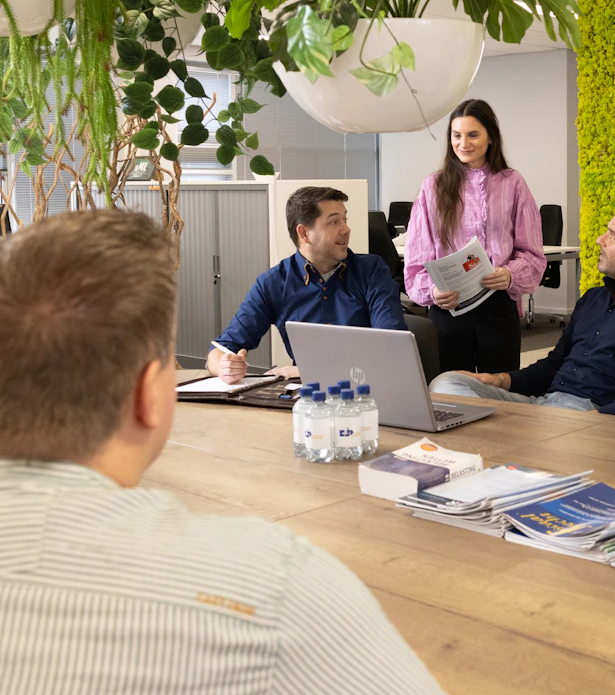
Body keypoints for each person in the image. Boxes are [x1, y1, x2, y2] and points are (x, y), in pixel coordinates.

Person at [0, 210, 446, 694]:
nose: (345, 229)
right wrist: (226, 360)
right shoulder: (275, 584)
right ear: (152, 396)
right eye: (333, 220)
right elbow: (225, 343)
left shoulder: (368, 269)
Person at [429, 200, 615, 418]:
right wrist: (499, 380)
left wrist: (591, 421)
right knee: (447, 385)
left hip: (593, 418)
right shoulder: (594, 299)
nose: (600, 240)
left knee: (487, 421)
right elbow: (554, 365)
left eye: (611, 235)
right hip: (544, 406)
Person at [404, 99, 546, 373]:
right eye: (456, 135)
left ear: (490, 137)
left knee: (502, 395)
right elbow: (415, 262)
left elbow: (532, 253)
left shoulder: (512, 182)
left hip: (498, 304)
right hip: (449, 308)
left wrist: (510, 274)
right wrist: (432, 291)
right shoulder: (433, 186)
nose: (463, 143)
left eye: (473, 134)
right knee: (451, 395)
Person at [209, 185, 406, 383]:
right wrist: (224, 366)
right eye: (334, 222)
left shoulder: (372, 270)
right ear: (303, 233)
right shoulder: (273, 283)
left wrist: (309, 370)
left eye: (344, 220)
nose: (346, 229)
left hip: (367, 387)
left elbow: (390, 345)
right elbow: (220, 349)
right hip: (307, 400)